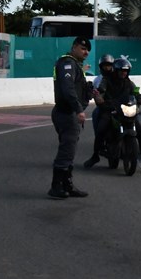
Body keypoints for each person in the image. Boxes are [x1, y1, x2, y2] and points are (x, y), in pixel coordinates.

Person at [92, 58, 141, 172]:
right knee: (101, 128)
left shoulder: (129, 82)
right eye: (121, 71)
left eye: (126, 71)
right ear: (116, 70)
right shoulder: (107, 80)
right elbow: (101, 91)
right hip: (111, 110)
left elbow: (136, 93)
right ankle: (95, 155)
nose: (124, 73)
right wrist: (99, 97)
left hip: (125, 110)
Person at [48, 36, 92, 199]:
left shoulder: (75, 65)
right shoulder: (67, 63)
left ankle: (67, 184)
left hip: (67, 112)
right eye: (82, 48)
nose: (86, 51)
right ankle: (56, 186)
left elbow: (77, 88)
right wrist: (78, 109)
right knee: (67, 150)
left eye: (87, 50)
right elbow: (68, 89)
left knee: (70, 149)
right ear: (74, 48)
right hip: (66, 113)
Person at [83, 54, 115, 168]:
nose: (107, 68)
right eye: (105, 66)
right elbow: (95, 94)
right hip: (104, 108)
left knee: (138, 123)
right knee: (98, 121)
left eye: (109, 65)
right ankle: (96, 153)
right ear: (101, 67)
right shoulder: (98, 80)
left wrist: (138, 97)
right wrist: (91, 92)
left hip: (120, 107)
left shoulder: (119, 76)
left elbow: (131, 88)